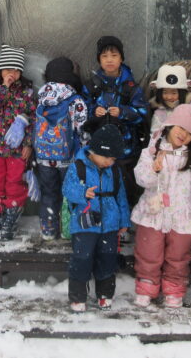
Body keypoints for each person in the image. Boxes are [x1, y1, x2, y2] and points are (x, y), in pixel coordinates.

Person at [132, 104, 191, 309]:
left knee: (178, 256)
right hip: (153, 213)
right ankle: (147, 286)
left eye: (189, 133)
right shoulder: (152, 150)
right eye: (181, 128)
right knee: (149, 252)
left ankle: (174, 289)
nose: (183, 134)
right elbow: (141, 179)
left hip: (182, 215)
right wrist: (154, 170)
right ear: (170, 125)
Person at [62, 124, 130, 312]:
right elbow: (67, 189)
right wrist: (83, 193)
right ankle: (77, 297)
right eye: (107, 158)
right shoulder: (78, 167)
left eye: (113, 159)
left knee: (107, 258)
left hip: (110, 223)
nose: (110, 162)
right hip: (84, 224)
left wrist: (124, 220)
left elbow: (121, 197)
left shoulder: (114, 171)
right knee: (82, 258)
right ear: (95, 151)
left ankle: (105, 294)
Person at [83, 35, 149, 208]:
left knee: (124, 191)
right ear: (99, 59)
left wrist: (123, 112)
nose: (109, 60)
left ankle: (124, 220)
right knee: (99, 190)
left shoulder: (131, 87)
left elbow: (143, 114)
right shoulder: (91, 85)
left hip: (125, 152)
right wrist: (94, 112)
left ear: (121, 58)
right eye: (104, 56)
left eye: (114, 55)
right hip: (97, 151)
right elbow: (80, 111)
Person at [0, 44, 36, 240]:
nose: (12, 73)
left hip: (16, 150)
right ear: (0, 71)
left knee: (14, 183)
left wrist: (28, 143)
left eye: (16, 70)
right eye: (7, 69)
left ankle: (10, 220)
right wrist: (3, 88)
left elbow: (33, 119)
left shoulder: (26, 94)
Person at [34, 57, 88, 240]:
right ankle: (67, 228)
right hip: (67, 157)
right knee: (69, 193)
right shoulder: (75, 100)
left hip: (43, 157)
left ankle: (48, 228)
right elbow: (82, 128)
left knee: (48, 192)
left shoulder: (41, 97)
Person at [148, 64, 191, 147]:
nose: (169, 97)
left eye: (174, 93)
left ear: (181, 93)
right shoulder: (159, 113)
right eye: (165, 92)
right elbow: (154, 135)